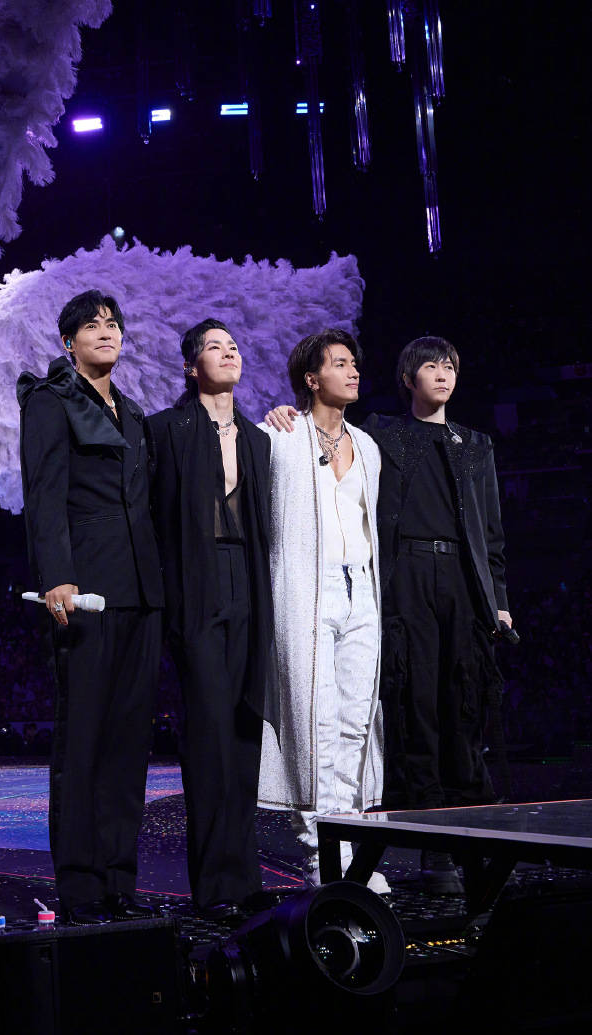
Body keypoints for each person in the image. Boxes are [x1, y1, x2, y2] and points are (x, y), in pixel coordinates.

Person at [267, 335, 512, 893]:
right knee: (411, 711)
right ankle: (419, 851)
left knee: (460, 712)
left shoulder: (473, 444)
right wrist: (284, 411)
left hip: (457, 583)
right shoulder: (382, 433)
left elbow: (491, 532)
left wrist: (497, 599)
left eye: (450, 366)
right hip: (400, 580)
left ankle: (472, 843)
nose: (442, 374)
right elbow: (317, 429)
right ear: (407, 378)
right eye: (430, 366)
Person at [17, 289, 164, 924]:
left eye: (113, 324)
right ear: (69, 341)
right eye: (92, 325)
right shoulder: (50, 401)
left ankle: (118, 880)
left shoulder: (132, 412)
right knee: (83, 739)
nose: (106, 332)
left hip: (140, 591)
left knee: (129, 743)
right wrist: (58, 577)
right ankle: (79, 886)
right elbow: (44, 493)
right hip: (85, 591)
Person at [145, 319, 277, 921]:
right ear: (190, 366)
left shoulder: (258, 438)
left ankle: (244, 879)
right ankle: (214, 885)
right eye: (215, 347)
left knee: (245, 729)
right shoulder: (165, 430)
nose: (229, 354)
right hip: (194, 586)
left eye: (234, 347)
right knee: (207, 732)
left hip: (247, 581)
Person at [258, 330, 389, 894]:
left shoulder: (368, 446)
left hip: (362, 591)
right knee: (315, 721)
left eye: (354, 362)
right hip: (306, 591)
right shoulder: (280, 436)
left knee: (357, 720)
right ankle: (323, 855)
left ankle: (355, 850)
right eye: (339, 363)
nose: (353, 370)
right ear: (312, 380)